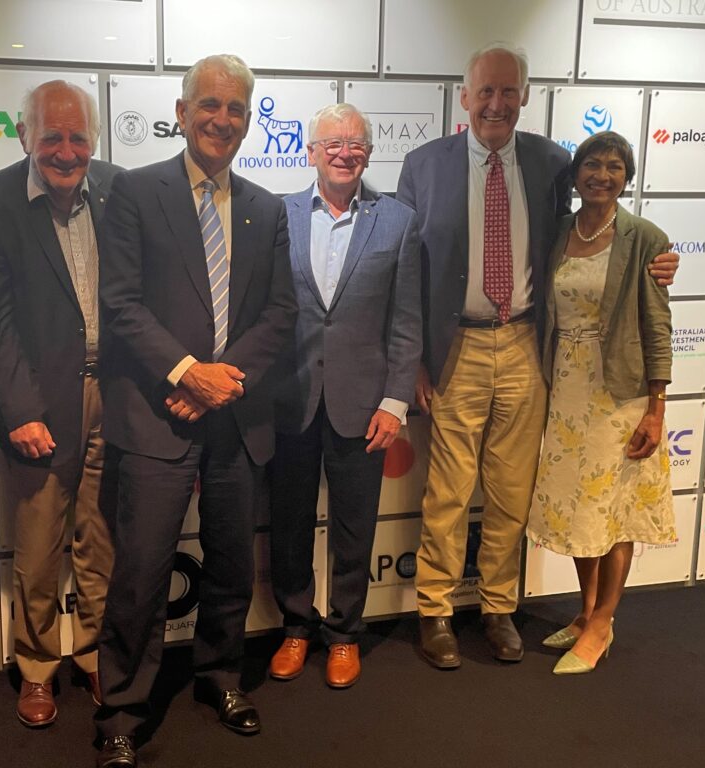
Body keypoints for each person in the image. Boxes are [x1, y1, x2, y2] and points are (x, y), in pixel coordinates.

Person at [396, 42, 678, 670]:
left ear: (524, 97)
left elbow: (596, 228)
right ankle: (435, 611)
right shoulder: (423, 164)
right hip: (456, 348)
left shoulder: (552, 162)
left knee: (510, 492)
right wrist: (413, 359)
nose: (496, 104)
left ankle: (498, 607)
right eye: (485, 91)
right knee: (447, 492)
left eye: (508, 92)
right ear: (465, 97)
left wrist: (656, 259)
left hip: (528, 344)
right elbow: (407, 269)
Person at [94, 54, 297, 768]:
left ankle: (220, 676)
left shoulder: (267, 207)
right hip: (157, 414)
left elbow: (280, 312)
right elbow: (120, 303)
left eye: (236, 107)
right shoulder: (134, 191)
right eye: (209, 104)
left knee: (233, 562)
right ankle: (122, 709)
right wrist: (186, 373)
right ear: (182, 113)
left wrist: (223, 381)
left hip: (237, 415)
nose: (222, 118)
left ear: (248, 120)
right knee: (142, 572)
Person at [0, 80, 119, 726]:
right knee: (36, 548)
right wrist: (19, 410)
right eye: (51, 136)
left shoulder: (118, 190)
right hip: (38, 401)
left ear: (95, 140)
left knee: (102, 540)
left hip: (116, 394)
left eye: (78, 137)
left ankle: (97, 652)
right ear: (24, 135)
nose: (66, 150)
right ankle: (36, 668)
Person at [267, 103, 421, 689]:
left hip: (366, 406)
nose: (344, 152)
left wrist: (395, 401)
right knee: (289, 524)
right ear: (310, 151)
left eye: (355, 143)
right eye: (332, 142)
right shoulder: (278, 215)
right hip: (290, 400)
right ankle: (296, 627)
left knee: (356, 527)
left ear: (369, 153)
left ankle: (344, 635)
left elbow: (406, 322)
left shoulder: (399, 221)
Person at [528, 131, 675, 675]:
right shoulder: (558, 231)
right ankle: (585, 611)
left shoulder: (645, 238)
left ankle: (603, 622)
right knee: (578, 509)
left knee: (613, 512)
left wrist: (656, 408)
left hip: (621, 396)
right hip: (565, 389)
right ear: (576, 174)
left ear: (627, 178)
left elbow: (657, 327)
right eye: (592, 164)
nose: (602, 175)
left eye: (615, 167)